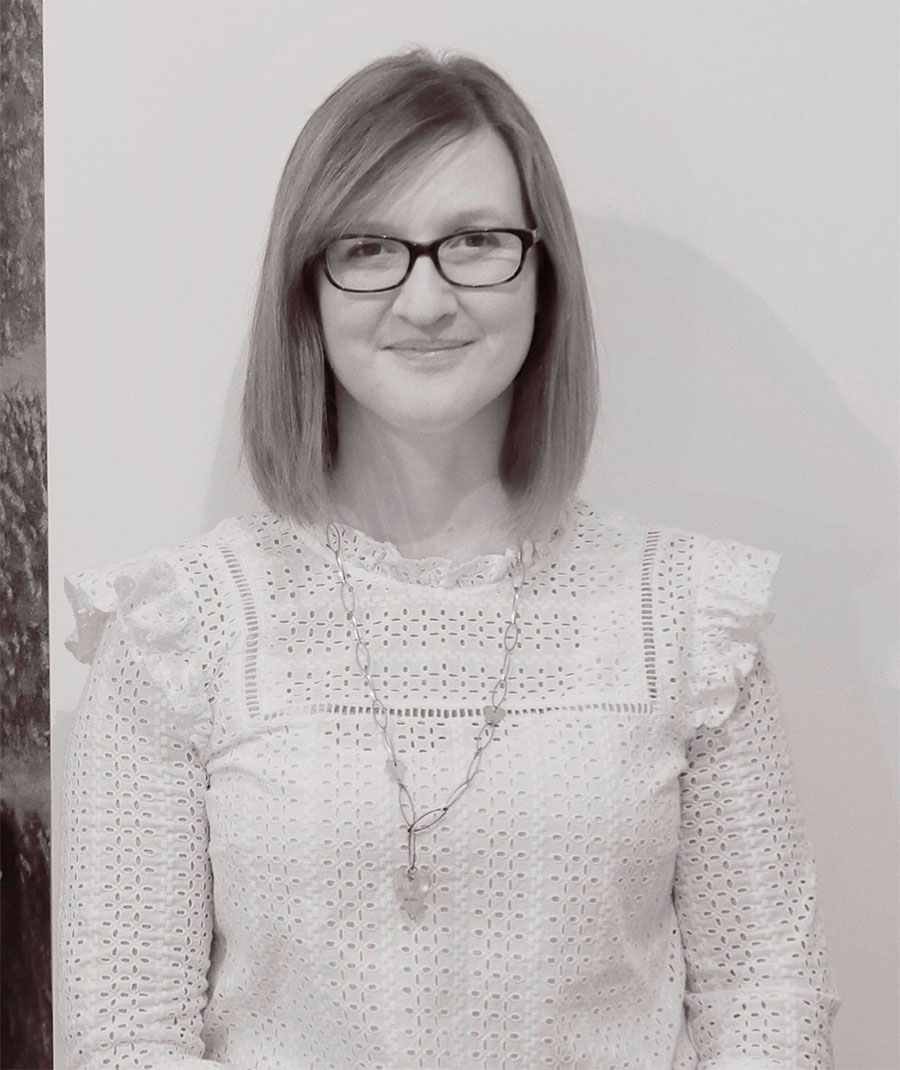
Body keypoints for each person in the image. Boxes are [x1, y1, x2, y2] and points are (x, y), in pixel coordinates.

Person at [57, 48, 840, 1070]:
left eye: (474, 240)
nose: (425, 300)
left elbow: (768, 1004)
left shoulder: (688, 615)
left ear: (541, 272)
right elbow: (122, 1036)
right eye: (371, 246)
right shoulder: (178, 628)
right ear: (309, 287)